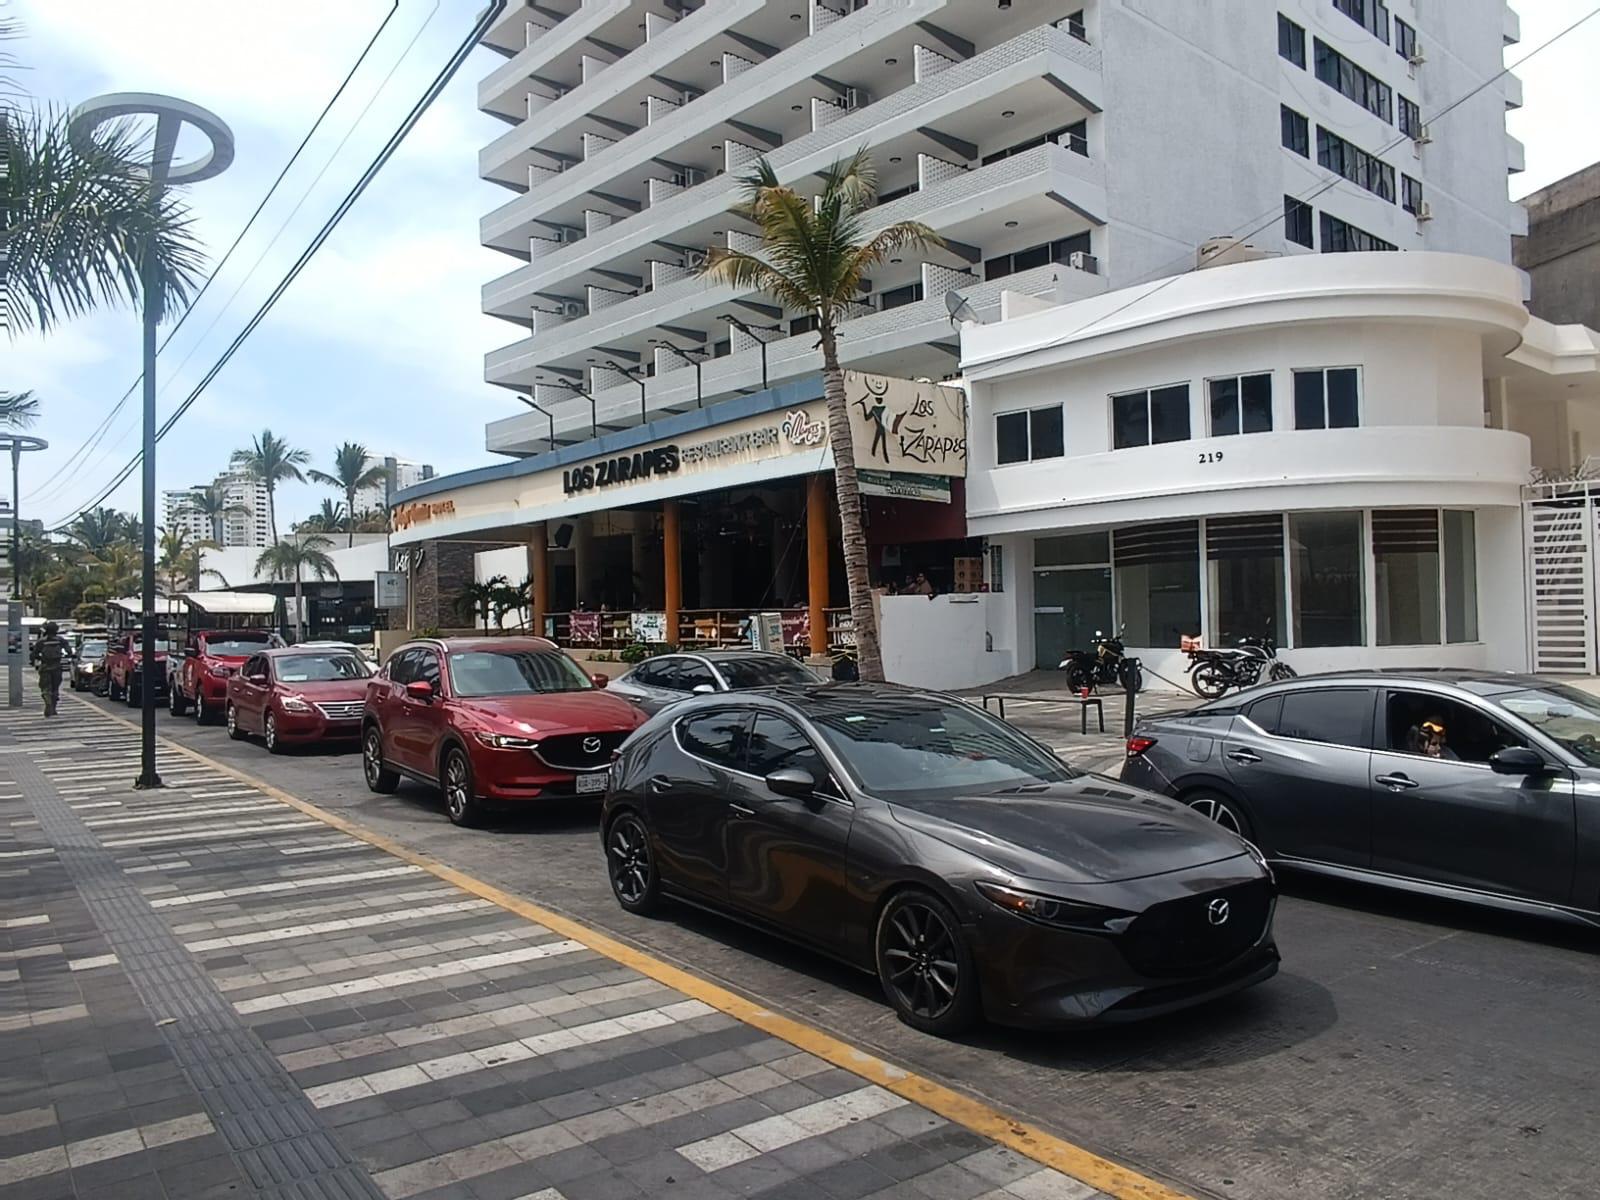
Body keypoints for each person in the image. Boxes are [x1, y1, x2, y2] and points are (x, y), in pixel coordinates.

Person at [34, 621, 73, 719]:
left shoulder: (41, 641)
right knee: (55, 688)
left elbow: (34, 654)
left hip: (45, 667)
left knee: (45, 688)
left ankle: (48, 702)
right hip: (57, 666)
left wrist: (39, 658)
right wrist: (68, 655)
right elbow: (69, 651)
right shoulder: (60, 640)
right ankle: (53, 708)